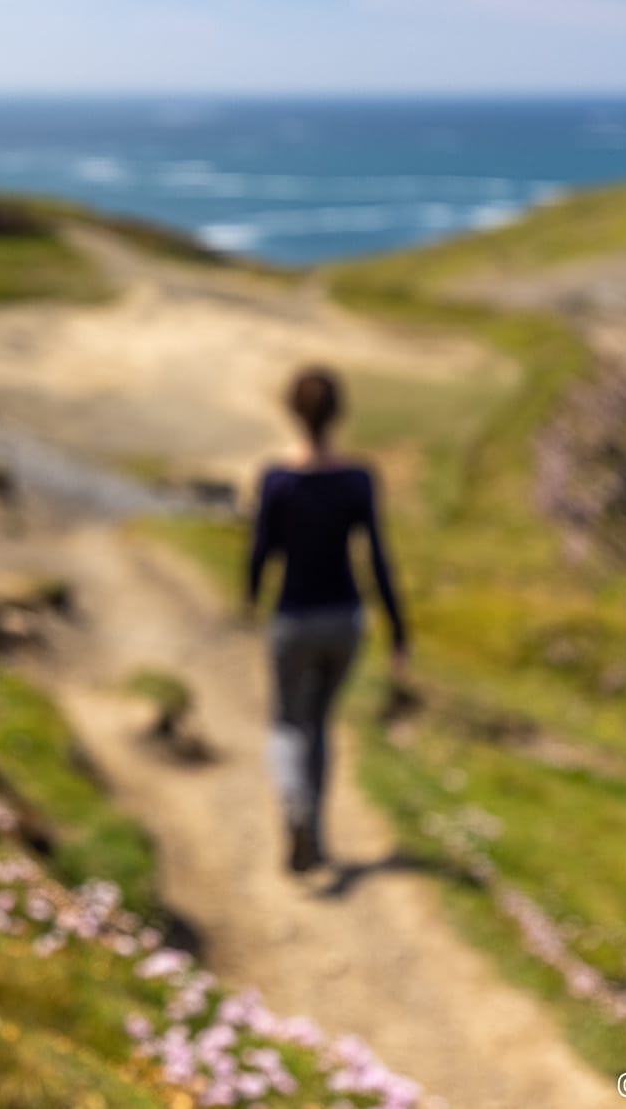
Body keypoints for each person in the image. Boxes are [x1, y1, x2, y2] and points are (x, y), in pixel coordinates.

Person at [245, 365, 409, 873]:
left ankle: (295, 808)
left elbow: (261, 552)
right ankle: (314, 829)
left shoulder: (277, 480)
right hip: (346, 620)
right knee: (320, 724)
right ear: (339, 413)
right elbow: (377, 559)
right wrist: (400, 631)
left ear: (293, 412)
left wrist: (250, 600)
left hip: (293, 618)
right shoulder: (358, 479)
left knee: (286, 724)